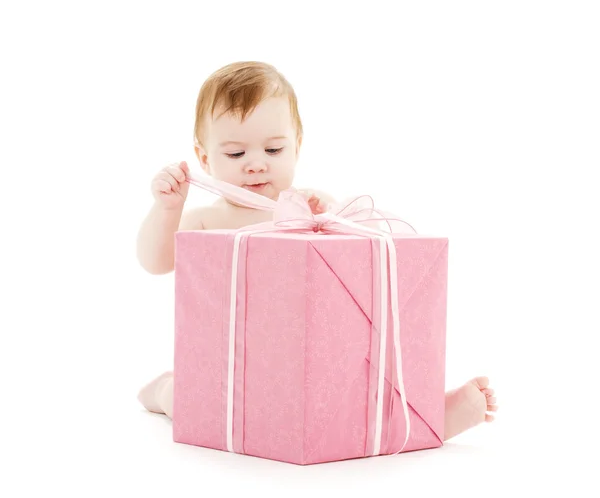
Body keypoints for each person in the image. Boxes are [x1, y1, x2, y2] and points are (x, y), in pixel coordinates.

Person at [136, 61, 498, 442]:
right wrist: (167, 209)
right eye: (235, 154)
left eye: (273, 149)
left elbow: (364, 265)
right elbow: (154, 261)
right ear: (205, 158)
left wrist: (331, 220)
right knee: (199, 405)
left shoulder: (310, 206)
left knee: (360, 376)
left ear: (297, 146)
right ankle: (165, 390)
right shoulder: (206, 220)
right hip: (235, 369)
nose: (256, 163)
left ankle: (423, 414)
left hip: (318, 360)